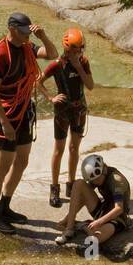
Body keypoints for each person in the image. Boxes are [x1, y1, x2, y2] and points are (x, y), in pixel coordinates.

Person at [0, 12, 58, 234]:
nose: (28, 35)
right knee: (2, 167)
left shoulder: (28, 46)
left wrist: (44, 36)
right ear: (12, 29)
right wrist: (5, 124)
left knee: (22, 161)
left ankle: (6, 205)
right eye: (24, 31)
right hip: (7, 116)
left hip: (25, 111)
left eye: (29, 31)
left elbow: (54, 54)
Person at [41, 28, 94, 207]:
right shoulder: (57, 64)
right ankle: (54, 187)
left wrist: (79, 67)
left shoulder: (83, 62)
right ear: (67, 49)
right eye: (75, 50)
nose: (78, 53)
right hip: (62, 111)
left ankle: (71, 185)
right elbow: (38, 81)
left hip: (79, 111)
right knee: (59, 149)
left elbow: (90, 85)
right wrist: (51, 97)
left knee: (74, 148)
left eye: (80, 49)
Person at [54, 154, 129, 251]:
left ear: (103, 171)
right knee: (79, 184)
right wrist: (68, 219)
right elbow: (82, 197)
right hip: (103, 210)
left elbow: (119, 209)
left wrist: (99, 222)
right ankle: (70, 229)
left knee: (95, 238)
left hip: (117, 218)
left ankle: (83, 226)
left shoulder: (117, 181)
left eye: (97, 179)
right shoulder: (97, 176)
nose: (95, 182)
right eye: (92, 180)